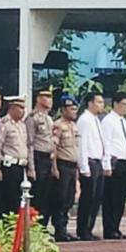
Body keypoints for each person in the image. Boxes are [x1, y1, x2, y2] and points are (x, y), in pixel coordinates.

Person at [76, 91, 109, 241]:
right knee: (87, 198)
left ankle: (89, 227)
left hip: (98, 162)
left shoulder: (96, 120)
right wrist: (84, 167)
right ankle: (83, 229)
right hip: (89, 161)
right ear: (90, 103)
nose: (101, 105)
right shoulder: (84, 120)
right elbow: (82, 145)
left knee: (96, 198)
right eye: (99, 102)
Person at [101, 91, 126, 240]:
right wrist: (106, 164)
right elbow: (106, 142)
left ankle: (116, 227)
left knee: (120, 198)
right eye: (124, 104)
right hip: (114, 163)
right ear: (115, 104)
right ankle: (109, 228)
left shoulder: (123, 121)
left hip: (123, 162)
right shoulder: (109, 121)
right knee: (111, 198)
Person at [0, 96, 29, 218]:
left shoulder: (22, 125)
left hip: (20, 166)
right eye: (20, 108)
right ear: (12, 108)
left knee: (17, 201)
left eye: (24, 108)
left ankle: (14, 229)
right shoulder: (4, 124)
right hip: (8, 166)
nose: (23, 111)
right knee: (7, 200)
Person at [51, 95, 80, 242]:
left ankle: (65, 228)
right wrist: (54, 168)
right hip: (62, 165)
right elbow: (54, 148)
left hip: (72, 166)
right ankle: (59, 230)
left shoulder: (74, 126)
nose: (74, 111)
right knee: (60, 199)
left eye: (75, 108)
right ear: (63, 110)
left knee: (69, 199)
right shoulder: (58, 125)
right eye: (71, 108)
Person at [26, 87, 56, 227]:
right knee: (37, 195)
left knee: (47, 196)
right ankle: (34, 227)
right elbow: (29, 143)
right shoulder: (33, 118)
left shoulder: (49, 119)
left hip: (48, 159)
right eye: (46, 97)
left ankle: (43, 226)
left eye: (50, 97)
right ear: (38, 98)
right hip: (38, 158)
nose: (50, 100)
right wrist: (31, 167)